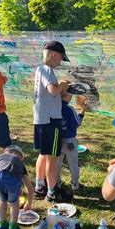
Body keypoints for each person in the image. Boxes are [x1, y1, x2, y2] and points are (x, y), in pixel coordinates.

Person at [33, 41, 71, 202]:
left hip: (41, 119)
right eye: (60, 59)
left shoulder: (40, 69)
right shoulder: (47, 70)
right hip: (51, 121)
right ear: (54, 54)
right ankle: (52, 191)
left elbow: (51, 95)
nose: (60, 62)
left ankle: (39, 186)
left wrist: (62, 93)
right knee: (52, 157)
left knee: (43, 154)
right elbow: (53, 89)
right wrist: (63, 84)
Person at [0, 145, 34, 229]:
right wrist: (28, 203)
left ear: (6, 151)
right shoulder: (19, 162)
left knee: (1, 198)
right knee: (14, 202)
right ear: (21, 157)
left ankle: (1, 228)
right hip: (10, 179)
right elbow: (29, 188)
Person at [55, 82, 86, 191]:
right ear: (68, 94)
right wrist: (82, 114)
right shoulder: (70, 109)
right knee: (73, 162)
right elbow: (77, 123)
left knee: (57, 164)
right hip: (70, 142)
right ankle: (75, 184)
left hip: (57, 140)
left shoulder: (54, 107)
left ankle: (56, 183)